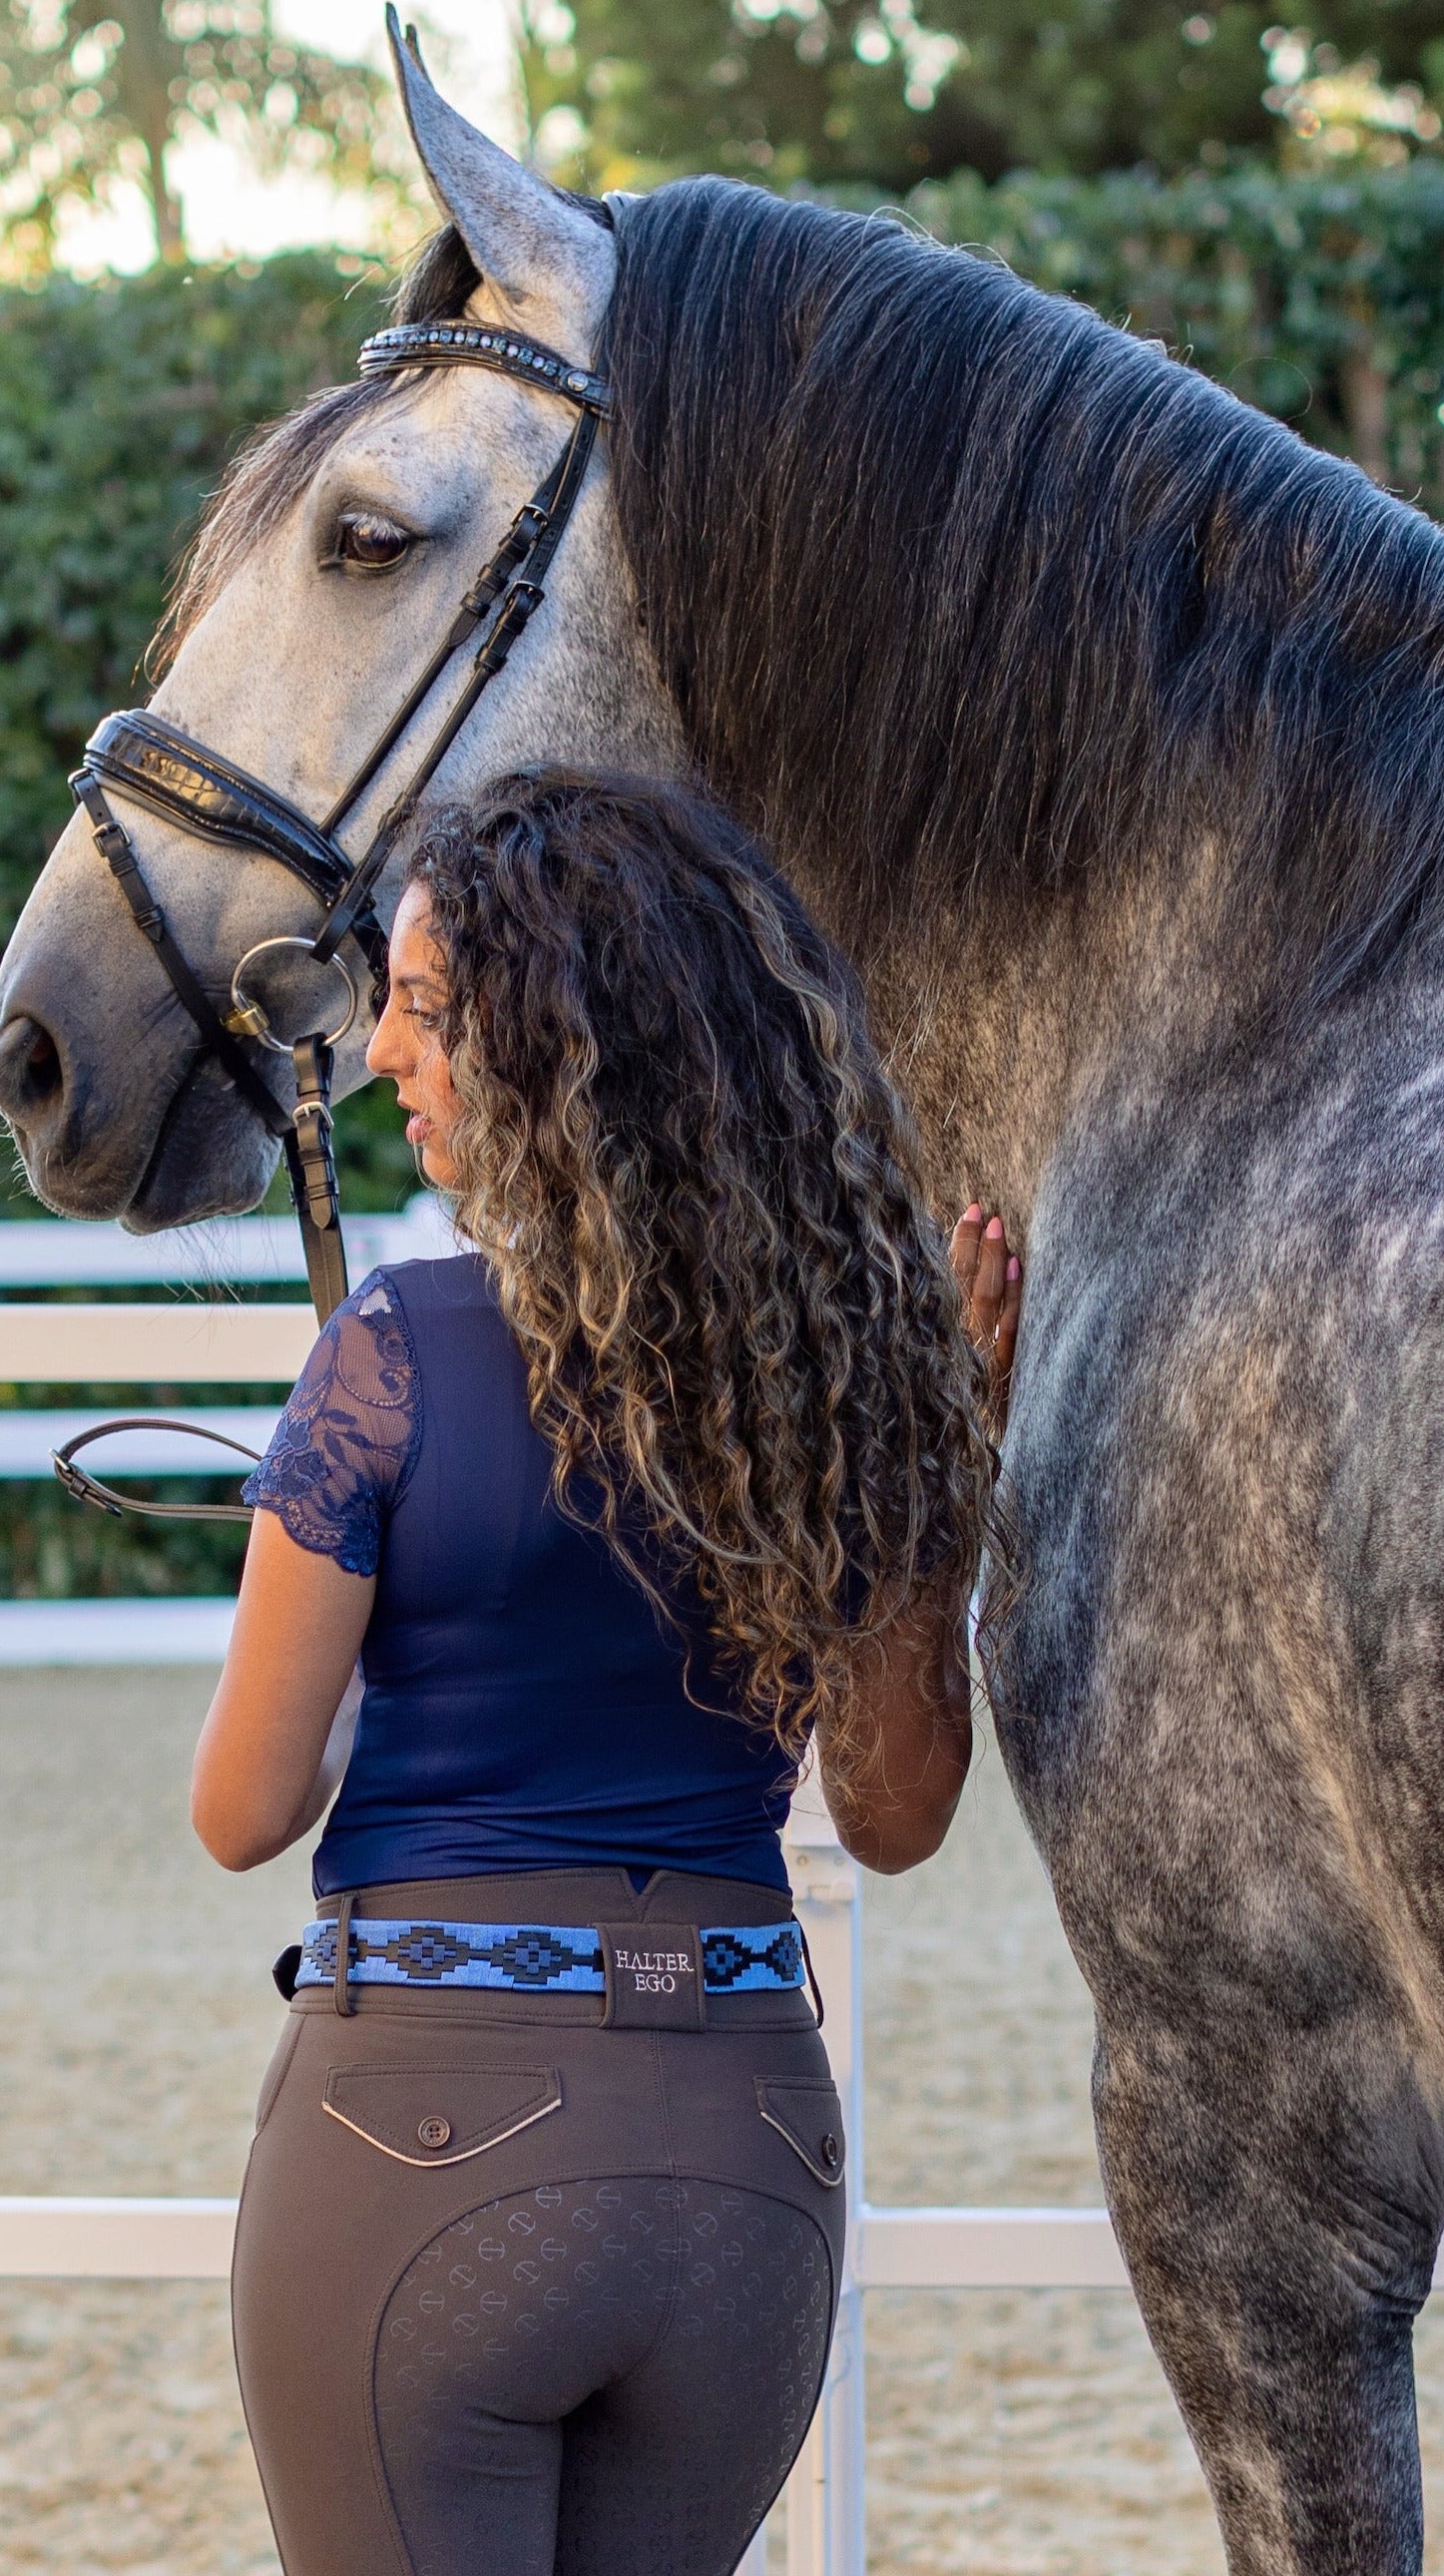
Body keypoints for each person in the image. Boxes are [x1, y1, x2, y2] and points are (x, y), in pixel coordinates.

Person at [195, 770, 1020, 2576]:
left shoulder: (388, 1360)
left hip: (427, 2136)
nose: (388, 1056)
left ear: (544, 1039)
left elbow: (243, 1809)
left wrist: (343, 1554)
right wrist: (938, 1469)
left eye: (419, 1008)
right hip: (745, 2161)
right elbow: (892, 1818)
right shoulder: (857, 1387)